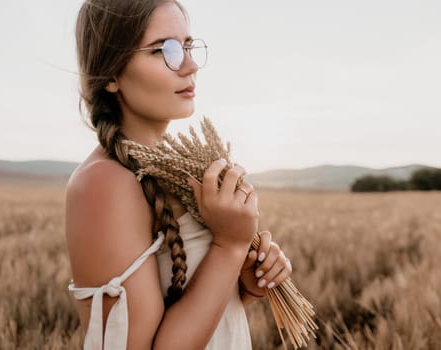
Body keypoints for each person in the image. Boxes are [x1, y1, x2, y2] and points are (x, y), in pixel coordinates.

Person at [65, 1, 293, 349]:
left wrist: (244, 284)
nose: (189, 65)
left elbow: (202, 319)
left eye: (187, 45)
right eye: (163, 50)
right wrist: (229, 245)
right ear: (111, 74)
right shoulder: (104, 184)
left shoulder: (174, 166)